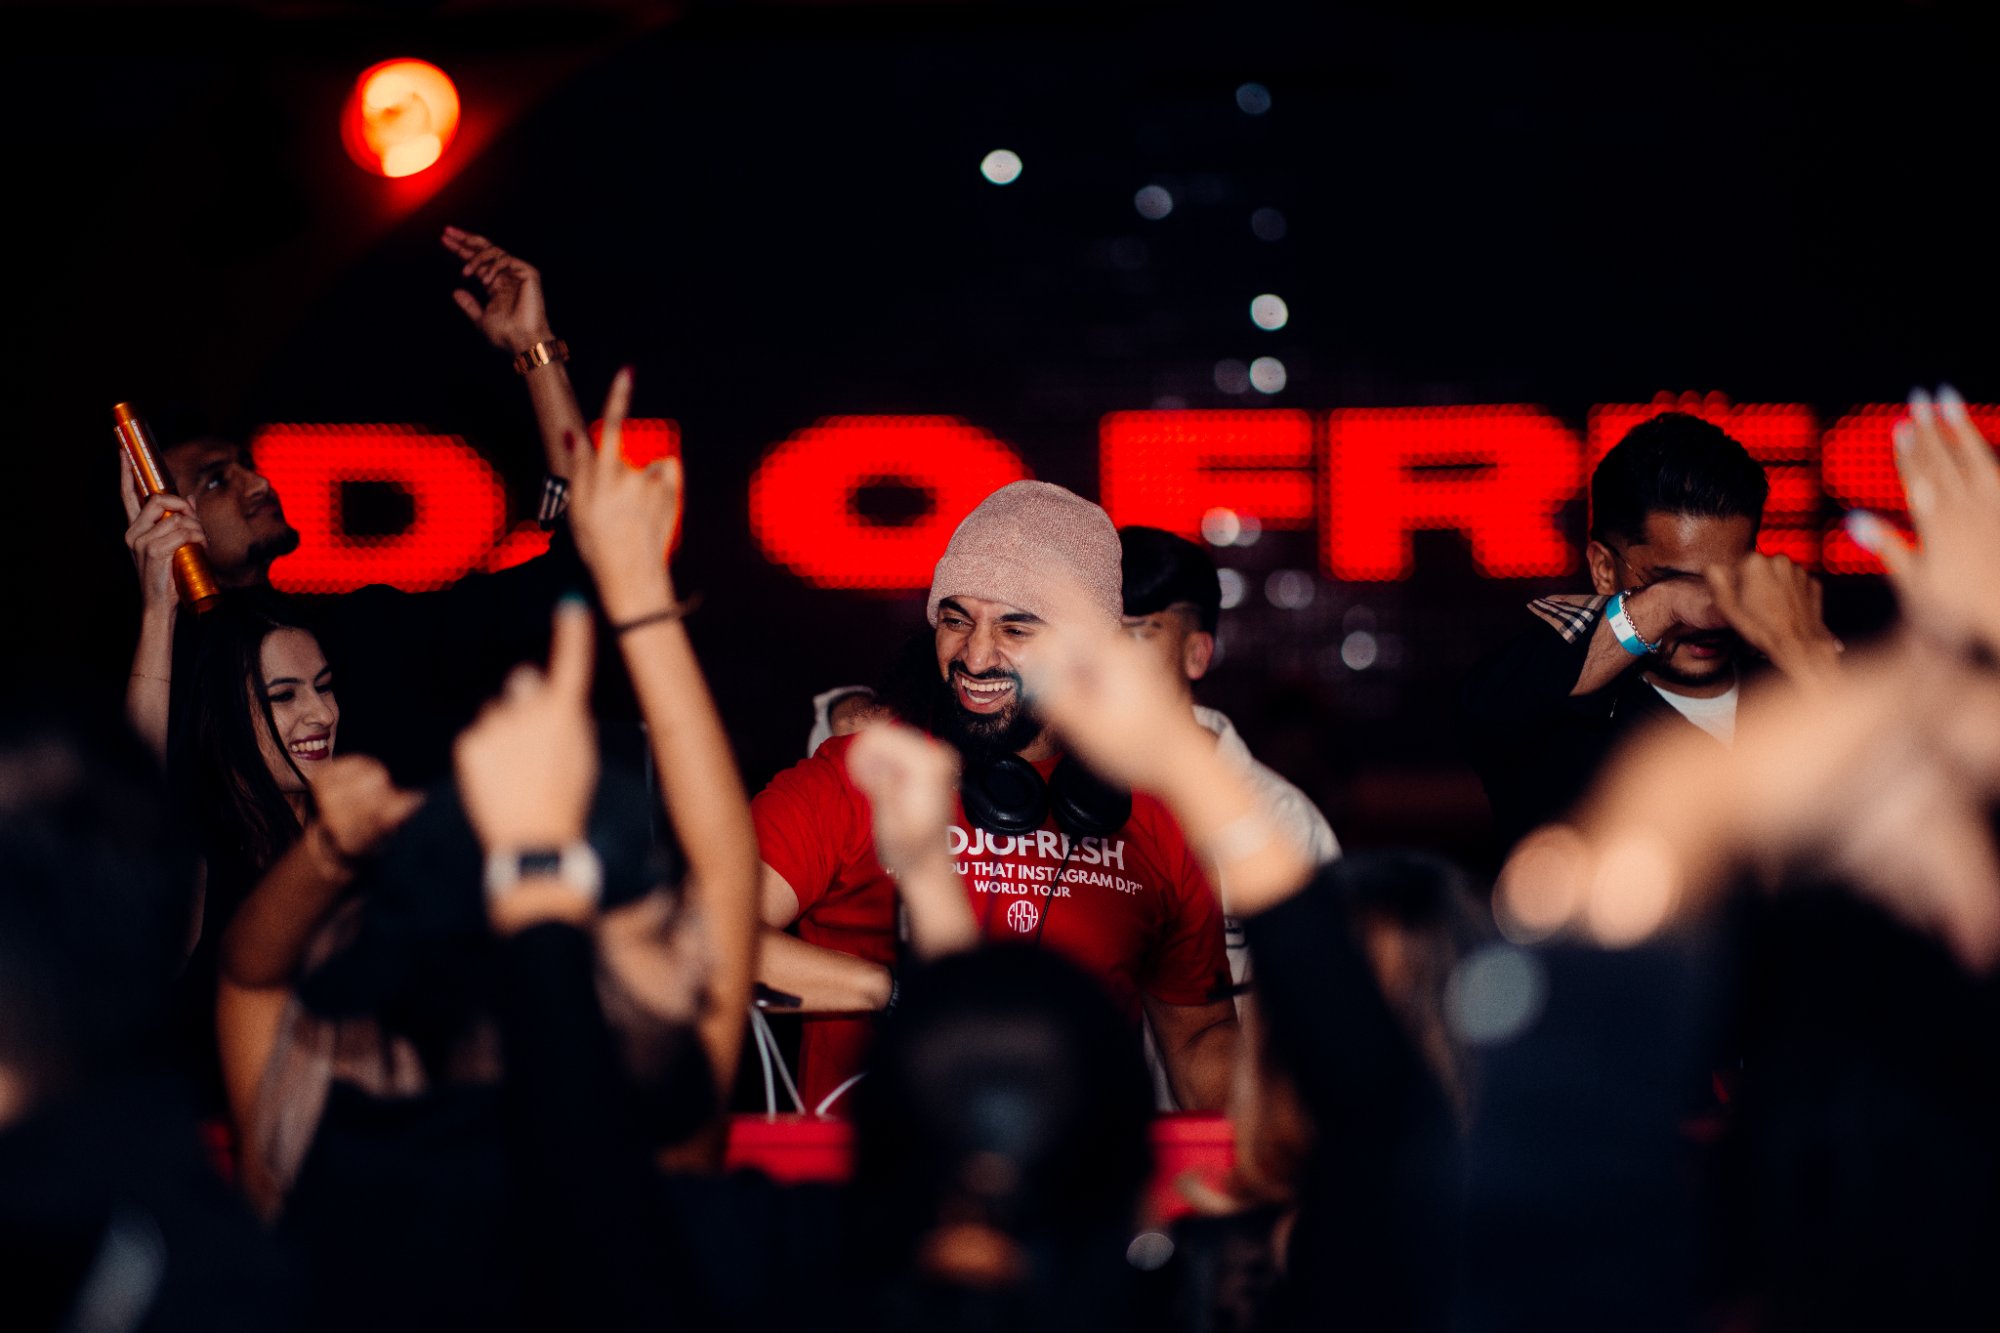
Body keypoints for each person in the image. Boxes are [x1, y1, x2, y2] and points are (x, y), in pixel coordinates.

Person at [752, 481, 1238, 1113]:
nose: (976, 656)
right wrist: (896, 990)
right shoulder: (856, 775)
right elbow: (699, 936)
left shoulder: (1159, 815)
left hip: (1077, 1196)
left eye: (1016, 627)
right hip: (873, 1195)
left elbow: (1199, 1037)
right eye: (956, 619)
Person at [119, 227, 603, 788]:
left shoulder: (364, 638)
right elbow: (129, 828)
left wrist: (535, 348)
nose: (256, 482)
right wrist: (160, 612)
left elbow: (586, 562)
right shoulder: (147, 689)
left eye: (320, 687)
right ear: (150, 523)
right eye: (213, 482)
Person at [1460, 411, 1843, 852]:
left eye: (1730, 579)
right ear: (1604, 569)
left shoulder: (1789, 682)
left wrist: (1808, 657)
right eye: (1676, 580)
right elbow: (1484, 713)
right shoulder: (1557, 716)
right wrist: (1666, 603)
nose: (1709, 611)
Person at [1119, 524, 1340, 988]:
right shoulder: (1041, 807)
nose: (1107, 657)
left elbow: (1324, 1011)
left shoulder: (1283, 821)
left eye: (1135, 634)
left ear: (1196, 653)